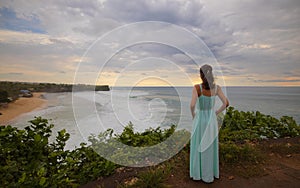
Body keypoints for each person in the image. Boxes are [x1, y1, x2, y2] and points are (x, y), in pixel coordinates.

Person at [190, 64, 229, 183]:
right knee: (209, 147)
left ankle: (198, 174)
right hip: (211, 120)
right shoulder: (217, 88)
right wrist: (215, 113)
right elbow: (226, 103)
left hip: (200, 119)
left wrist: (194, 116)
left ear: (201, 75)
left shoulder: (197, 88)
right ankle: (209, 174)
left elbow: (192, 105)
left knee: (198, 146)